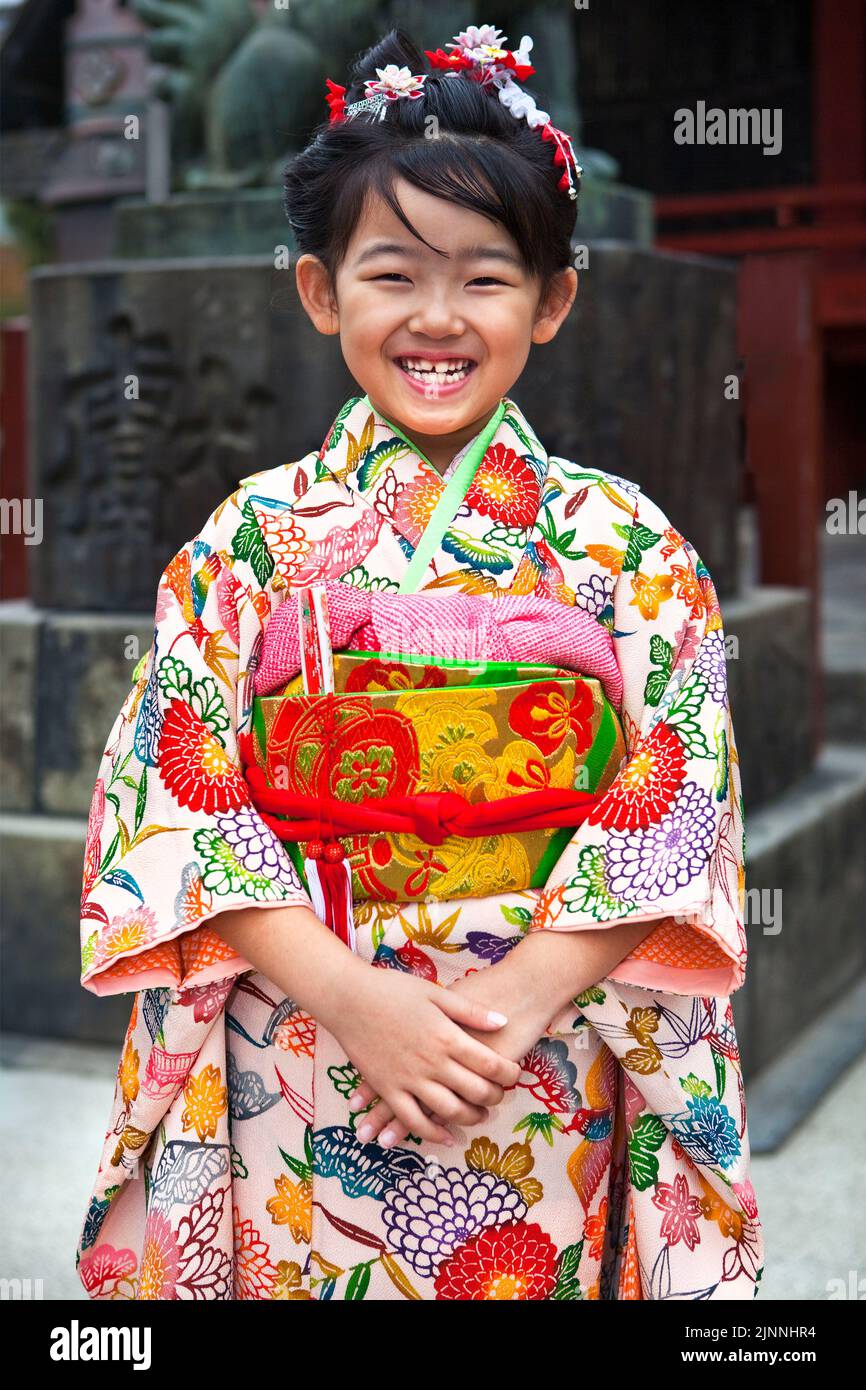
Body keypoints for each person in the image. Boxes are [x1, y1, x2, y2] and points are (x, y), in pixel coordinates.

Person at [75, 23, 763, 1301]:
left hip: (540, 1048)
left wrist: (509, 1007)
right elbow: (175, 798)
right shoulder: (250, 537)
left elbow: (675, 798)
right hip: (301, 1034)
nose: (436, 319)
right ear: (321, 291)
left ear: (553, 300)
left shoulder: (623, 543)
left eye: (486, 279)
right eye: (391, 275)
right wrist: (353, 1000)